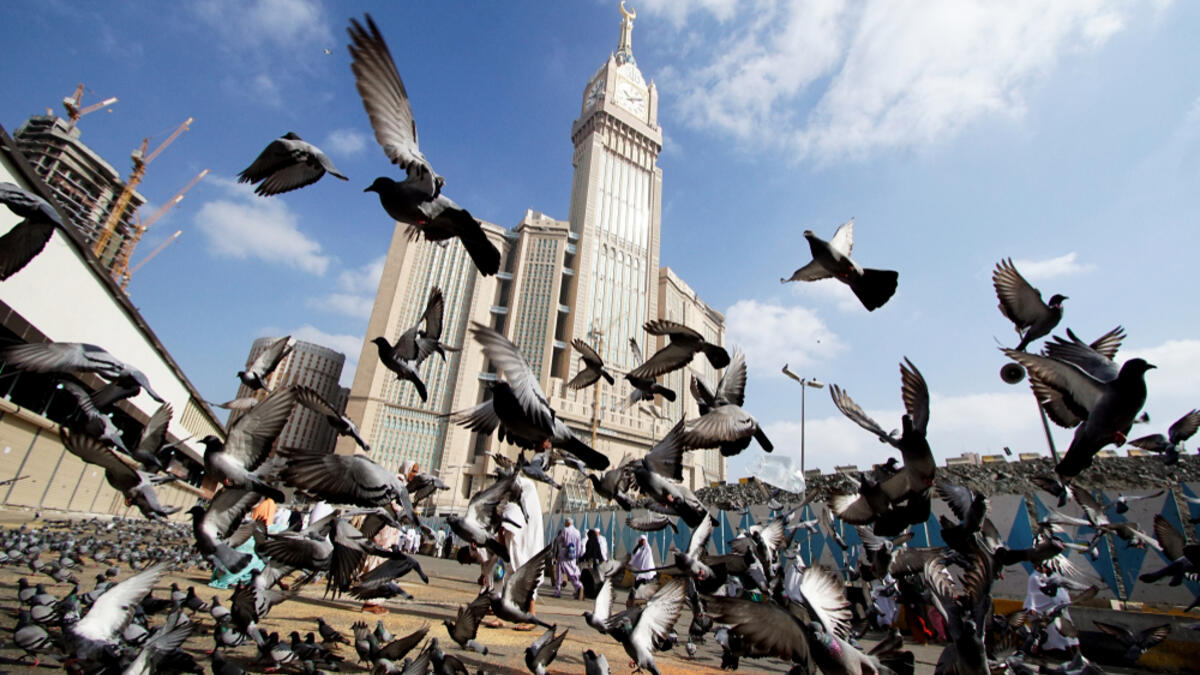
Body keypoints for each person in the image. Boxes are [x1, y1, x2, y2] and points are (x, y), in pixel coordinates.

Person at [495, 471, 543, 630]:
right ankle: (502, 616)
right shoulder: (513, 504)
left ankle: (531, 615)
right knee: (508, 579)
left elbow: (508, 523)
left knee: (526, 577)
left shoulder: (527, 502)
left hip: (522, 549)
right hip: (512, 548)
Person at [1024, 563, 1080, 657]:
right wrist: (1032, 607)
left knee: (1070, 637)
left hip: (1058, 611)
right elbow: (1032, 594)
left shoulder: (1055, 577)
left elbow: (1067, 588)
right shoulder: (1035, 578)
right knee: (1044, 637)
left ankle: (1077, 658)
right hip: (1043, 612)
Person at [554, 517, 583, 600]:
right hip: (572, 554)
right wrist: (577, 555)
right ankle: (578, 586)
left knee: (559, 572)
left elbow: (559, 540)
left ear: (567, 523)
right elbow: (578, 545)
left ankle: (557, 591)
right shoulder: (577, 532)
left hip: (564, 553)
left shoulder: (565, 530)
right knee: (572, 572)